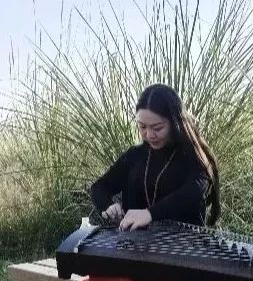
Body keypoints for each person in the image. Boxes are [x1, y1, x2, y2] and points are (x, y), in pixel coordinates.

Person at [90, 83, 220, 231]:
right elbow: (99, 187)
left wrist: (149, 214)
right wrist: (108, 206)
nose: (150, 135)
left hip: (184, 246)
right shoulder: (134, 156)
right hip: (134, 246)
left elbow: (193, 194)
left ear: (175, 123)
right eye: (142, 127)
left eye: (157, 128)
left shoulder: (194, 158)